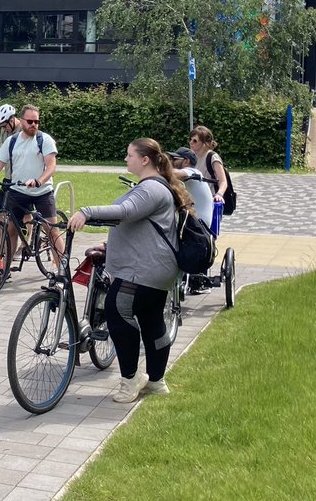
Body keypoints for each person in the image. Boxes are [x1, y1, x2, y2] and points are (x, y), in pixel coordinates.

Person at [68, 137, 188, 403]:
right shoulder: (156, 186)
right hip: (157, 269)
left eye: (129, 155)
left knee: (117, 312)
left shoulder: (151, 189)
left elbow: (124, 211)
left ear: (145, 160)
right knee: (152, 320)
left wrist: (86, 211)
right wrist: (109, 245)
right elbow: (141, 228)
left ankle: (130, 380)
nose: (126, 159)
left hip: (143, 271)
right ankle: (156, 382)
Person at [0, 104, 64, 267]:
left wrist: (39, 180)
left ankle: (63, 271)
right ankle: (4, 270)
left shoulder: (44, 140)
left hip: (42, 192)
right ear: (22, 120)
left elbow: (51, 166)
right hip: (17, 191)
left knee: (52, 231)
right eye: (30, 121)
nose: (34, 125)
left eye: (36, 121)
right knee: (10, 230)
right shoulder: (11, 141)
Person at [169, 146, 215, 293]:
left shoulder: (193, 172)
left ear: (186, 161)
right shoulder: (188, 180)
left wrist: (156, 170)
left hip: (197, 225)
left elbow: (178, 174)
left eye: (175, 159)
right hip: (190, 222)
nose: (171, 162)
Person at [189, 125, 228, 238]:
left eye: (195, 141)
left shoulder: (212, 157)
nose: (191, 143)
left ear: (204, 143)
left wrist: (219, 194)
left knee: (207, 235)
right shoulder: (191, 157)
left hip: (208, 202)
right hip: (194, 201)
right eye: (190, 139)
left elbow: (223, 181)